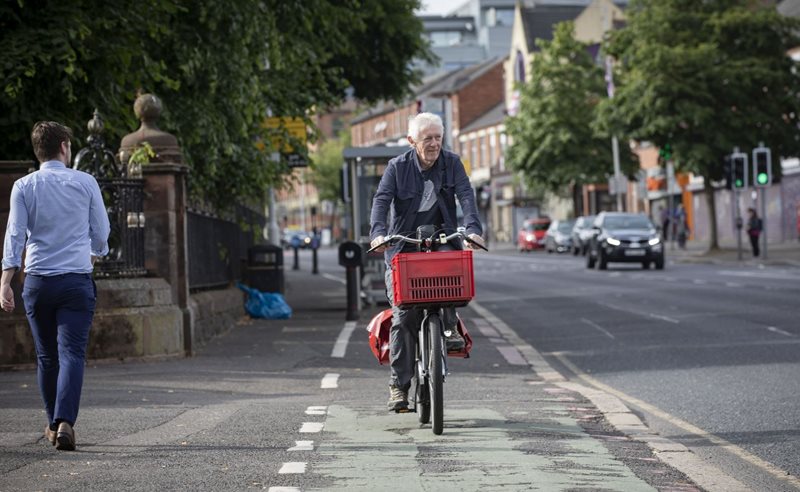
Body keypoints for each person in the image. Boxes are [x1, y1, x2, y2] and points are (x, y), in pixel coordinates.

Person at [1, 121, 110, 451]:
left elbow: (15, 235)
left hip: (37, 282)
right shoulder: (85, 182)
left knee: (47, 357)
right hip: (76, 281)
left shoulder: (23, 186)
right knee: (72, 353)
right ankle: (65, 422)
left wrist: (6, 281)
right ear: (64, 146)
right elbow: (102, 233)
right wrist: (95, 255)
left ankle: (53, 423)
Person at [369, 112, 484, 412]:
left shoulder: (452, 163)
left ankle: (449, 327)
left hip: (442, 238)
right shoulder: (397, 168)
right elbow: (381, 201)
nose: (434, 144)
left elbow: (466, 195)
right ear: (411, 141)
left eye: (438, 138)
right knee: (403, 316)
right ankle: (399, 386)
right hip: (404, 245)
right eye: (427, 139)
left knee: (451, 276)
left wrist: (472, 230)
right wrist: (379, 235)